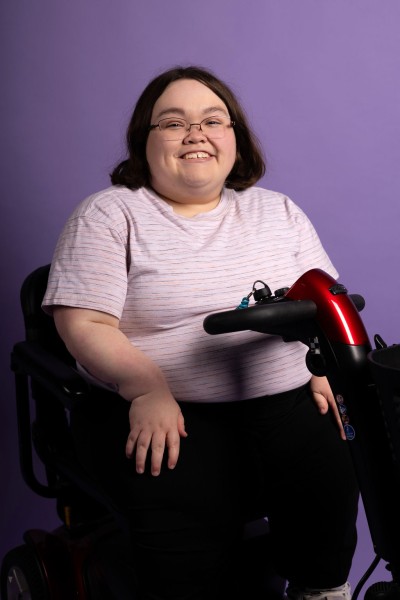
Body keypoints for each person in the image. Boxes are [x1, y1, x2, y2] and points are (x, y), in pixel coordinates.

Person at [42, 65, 358, 600]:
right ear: (145, 142)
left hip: (283, 402)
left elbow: (323, 298)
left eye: (214, 119)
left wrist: (324, 363)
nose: (196, 133)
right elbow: (84, 324)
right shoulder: (109, 215)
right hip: (165, 407)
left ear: (235, 138)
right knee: (188, 536)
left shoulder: (277, 211)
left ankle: (320, 589)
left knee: (330, 487)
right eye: (172, 122)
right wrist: (145, 387)